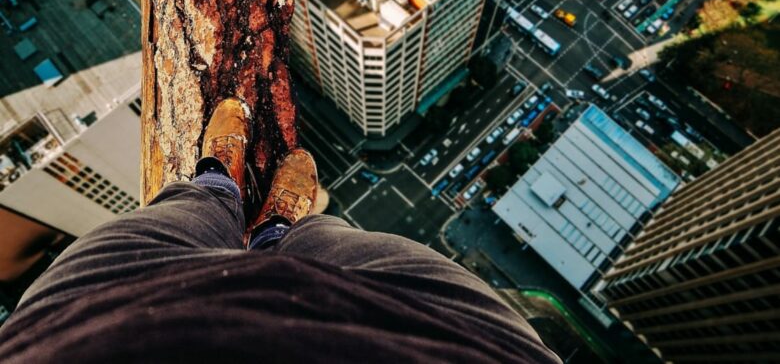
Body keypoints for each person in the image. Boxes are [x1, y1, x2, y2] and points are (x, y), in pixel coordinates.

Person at [0, 98, 560, 363]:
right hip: (468, 350)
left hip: (75, 340)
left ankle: (217, 184)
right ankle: (277, 235)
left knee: (154, 231)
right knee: (348, 248)